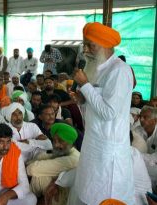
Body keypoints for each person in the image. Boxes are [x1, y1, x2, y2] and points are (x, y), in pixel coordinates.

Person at [71, 22, 135, 204]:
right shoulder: (96, 67)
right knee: (87, 193)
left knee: (105, 197)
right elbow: (95, 106)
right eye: (85, 44)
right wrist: (83, 100)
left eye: (90, 45)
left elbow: (108, 113)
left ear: (106, 45)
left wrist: (85, 85)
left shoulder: (119, 71)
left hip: (108, 152)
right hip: (93, 145)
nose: (85, 50)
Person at [27, 123, 80, 201]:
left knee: (38, 178)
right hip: (58, 184)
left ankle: (28, 198)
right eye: (54, 140)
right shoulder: (64, 150)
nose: (56, 144)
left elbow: (31, 169)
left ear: (70, 142)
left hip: (65, 195)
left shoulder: (73, 159)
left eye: (60, 141)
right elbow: (44, 154)